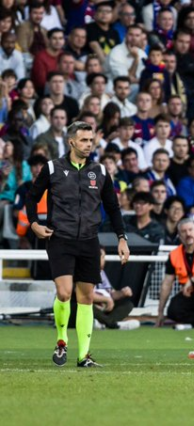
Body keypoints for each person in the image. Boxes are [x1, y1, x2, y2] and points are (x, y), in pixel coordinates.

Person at [25, 121, 130, 368]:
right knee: (64, 292)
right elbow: (31, 198)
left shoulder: (101, 171)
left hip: (89, 241)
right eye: (83, 140)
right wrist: (34, 224)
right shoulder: (52, 168)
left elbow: (113, 209)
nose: (88, 145)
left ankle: (84, 356)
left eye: (91, 140)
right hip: (60, 238)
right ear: (71, 141)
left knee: (86, 298)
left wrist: (122, 238)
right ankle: (62, 340)